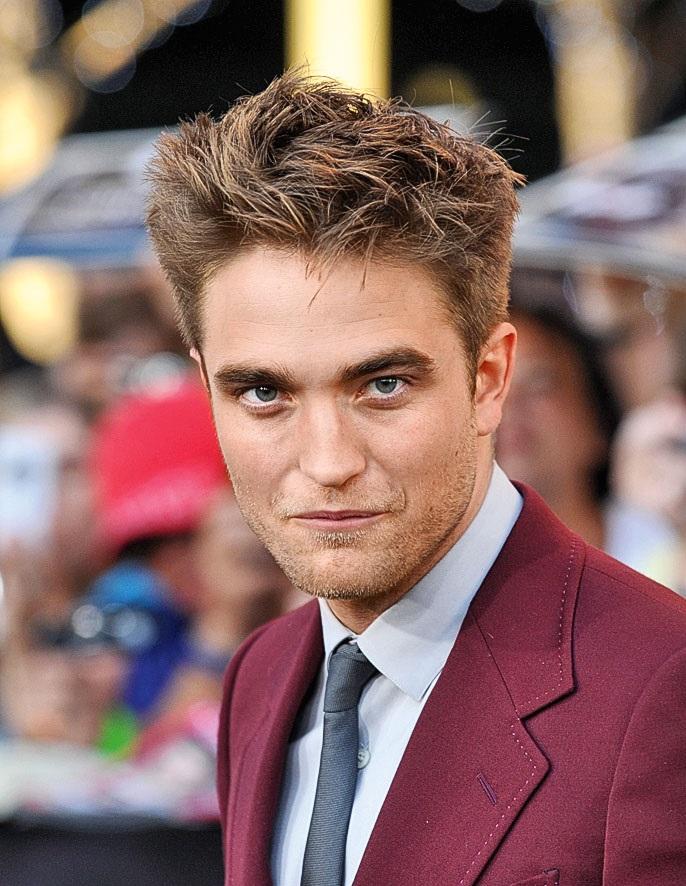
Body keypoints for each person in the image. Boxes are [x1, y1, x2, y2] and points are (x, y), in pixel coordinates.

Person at [146, 73, 686, 885]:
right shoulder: (261, 674)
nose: (328, 462)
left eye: (384, 384)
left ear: (489, 378)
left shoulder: (659, 685)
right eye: (262, 392)